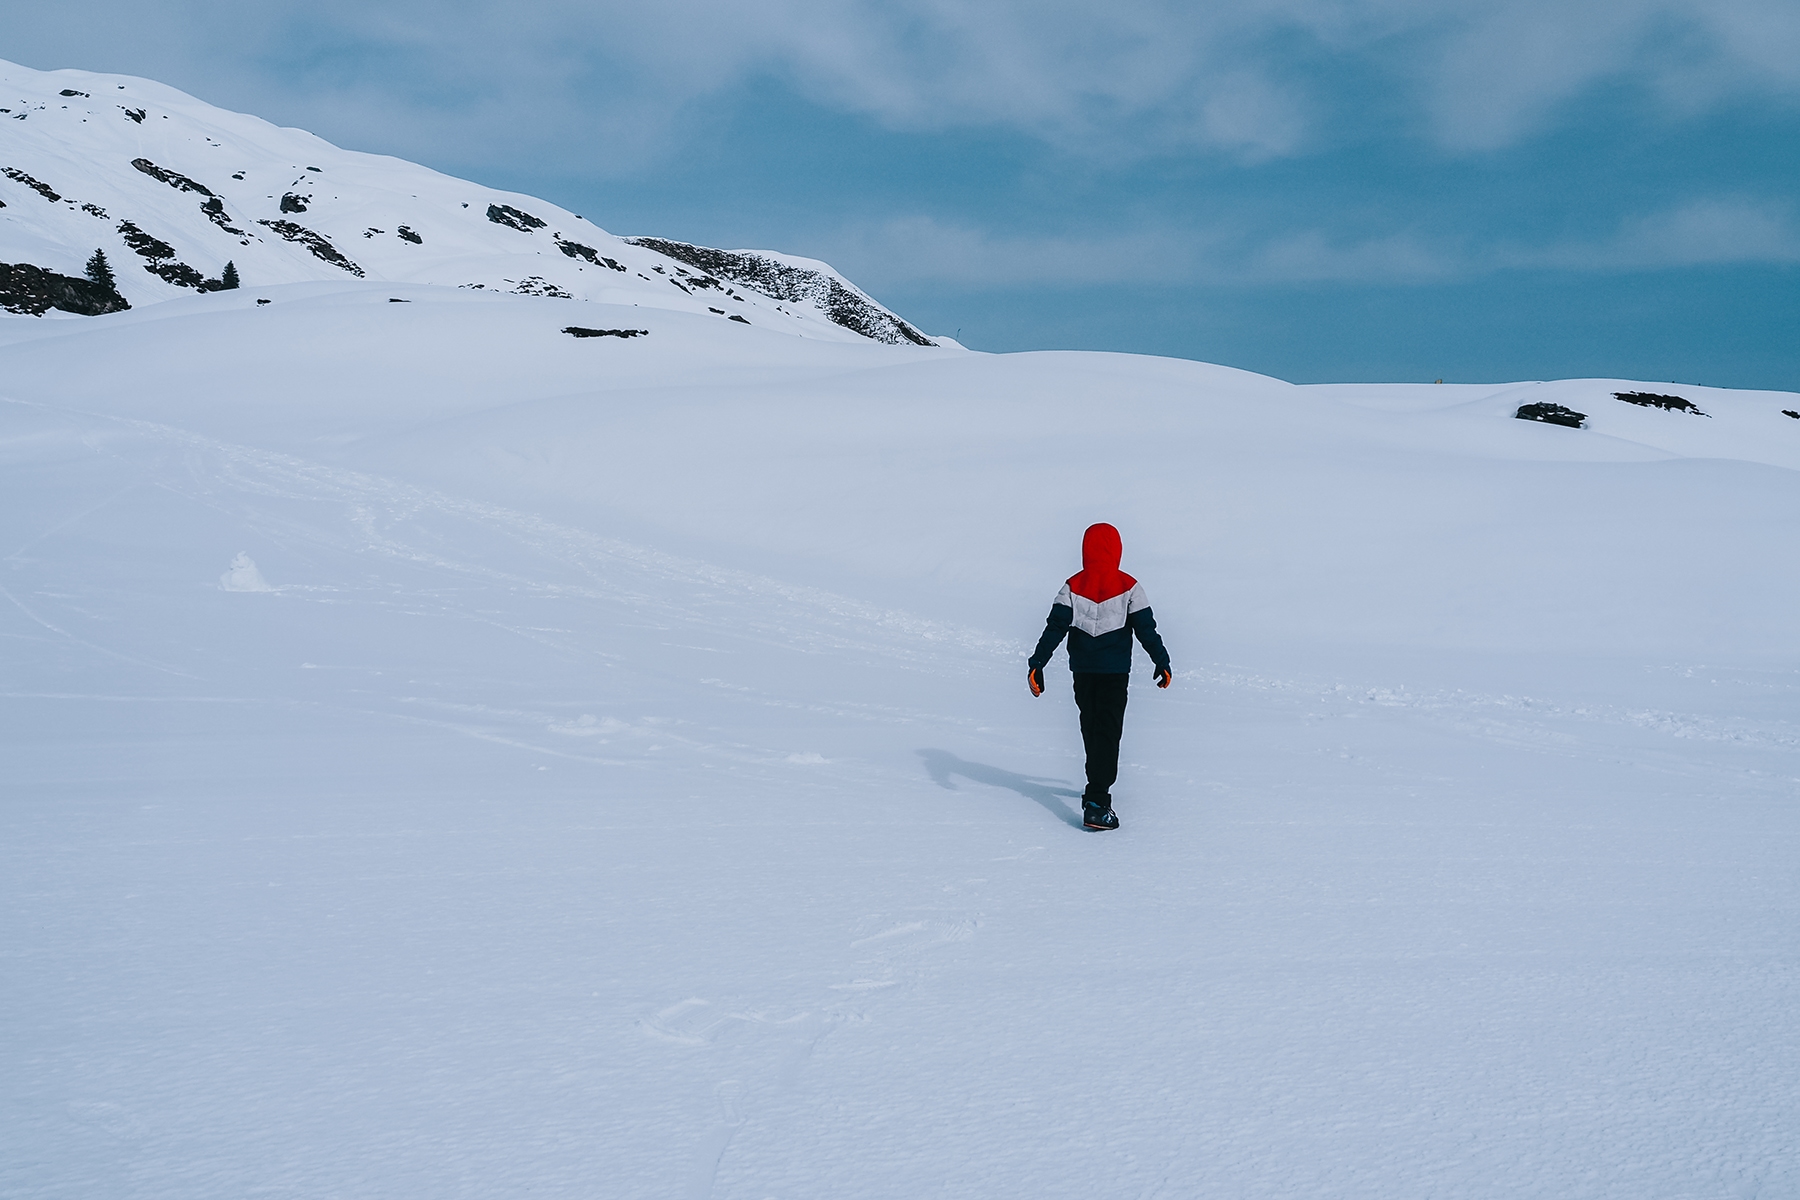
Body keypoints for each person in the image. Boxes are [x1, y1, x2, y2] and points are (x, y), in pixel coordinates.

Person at [1027, 523, 1172, 830]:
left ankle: (1095, 787)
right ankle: (1097, 801)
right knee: (1108, 731)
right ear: (1117, 549)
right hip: (1114, 672)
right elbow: (1147, 629)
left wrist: (1038, 663)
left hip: (1083, 670)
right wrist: (1162, 661)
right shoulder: (1130, 586)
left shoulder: (1072, 585)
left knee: (1091, 726)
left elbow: (1054, 627)